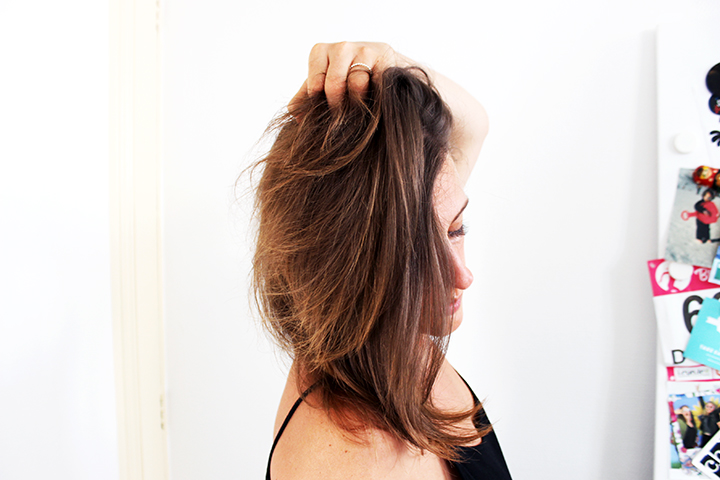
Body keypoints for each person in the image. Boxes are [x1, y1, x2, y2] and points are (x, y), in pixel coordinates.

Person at [253, 42, 511, 480]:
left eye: (456, 230)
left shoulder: (379, 337)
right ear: (347, 265)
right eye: (416, 254)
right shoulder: (353, 464)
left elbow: (474, 126)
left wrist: (388, 65)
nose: (462, 276)